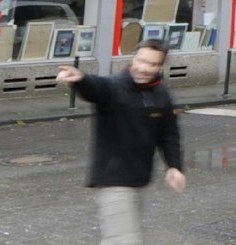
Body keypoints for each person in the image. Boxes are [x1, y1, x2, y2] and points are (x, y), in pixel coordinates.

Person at [57, 41, 187, 245]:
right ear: (132, 59)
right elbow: (96, 88)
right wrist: (80, 80)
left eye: (152, 64)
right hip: (113, 179)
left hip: (140, 179)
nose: (144, 68)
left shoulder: (161, 94)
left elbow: (169, 133)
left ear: (160, 66)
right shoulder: (115, 86)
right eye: (141, 61)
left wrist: (174, 166)